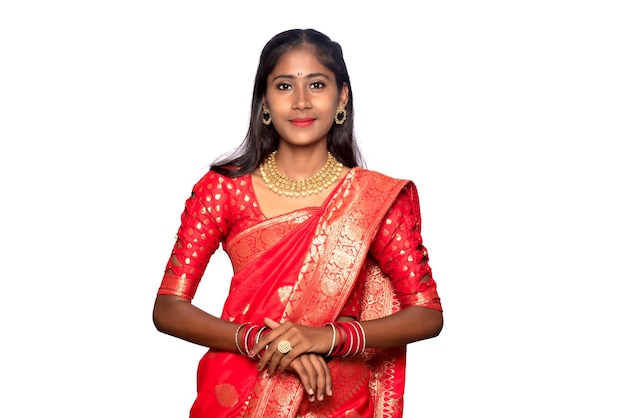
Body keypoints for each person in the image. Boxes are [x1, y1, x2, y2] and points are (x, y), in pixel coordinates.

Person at [152, 28, 443, 418]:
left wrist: (327, 338)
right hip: (237, 392)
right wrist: (264, 341)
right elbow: (168, 308)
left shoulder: (373, 200)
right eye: (285, 85)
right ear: (265, 101)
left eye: (317, 85)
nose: (302, 101)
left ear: (341, 97)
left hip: (334, 395)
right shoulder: (222, 190)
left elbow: (426, 313)